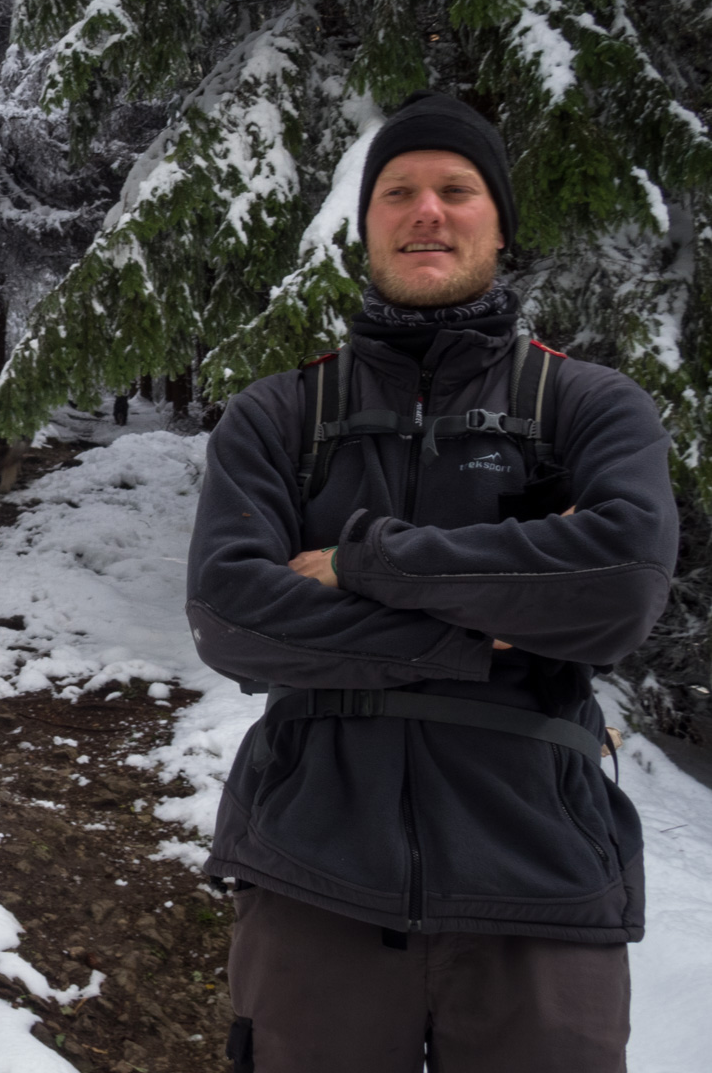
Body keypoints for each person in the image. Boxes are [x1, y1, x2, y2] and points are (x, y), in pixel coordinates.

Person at [185, 93, 677, 1072]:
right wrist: (480, 624)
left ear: (497, 219)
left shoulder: (584, 404)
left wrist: (369, 563)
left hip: (539, 883)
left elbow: (618, 582)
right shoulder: (280, 414)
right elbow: (229, 611)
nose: (427, 211)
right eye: (399, 191)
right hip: (312, 868)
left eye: (457, 189)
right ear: (365, 223)